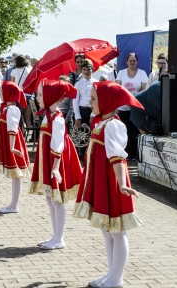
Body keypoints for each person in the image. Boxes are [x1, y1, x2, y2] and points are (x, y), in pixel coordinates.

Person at [73, 81, 143, 288]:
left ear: (107, 101)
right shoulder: (99, 122)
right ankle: (111, 274)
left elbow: (117, 158)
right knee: (107, 229)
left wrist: (122, 183)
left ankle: (116, 278)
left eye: (94, 98)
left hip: (112, 181)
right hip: (101, 180)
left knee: (117, 231)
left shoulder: (113, 125)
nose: (90, 101)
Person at [29, 79, 81, 250]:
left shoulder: (57, 118)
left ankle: (59, 238)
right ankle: (54, 235)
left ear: (51, 96)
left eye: (41, 94)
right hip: (47, 160)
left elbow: (58, 144)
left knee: (56, 200)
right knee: (50, 199)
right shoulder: (48, 115)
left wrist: (55, 167)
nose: (37, 97)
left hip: (54, 161)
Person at [0, 81, 31, 213]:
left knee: (16, 173)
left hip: (12, 142)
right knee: (15, 175)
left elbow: (12, 129)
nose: (0, 94)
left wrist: (12, 146)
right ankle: (13, 204)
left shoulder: (12, 109)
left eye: (2, 91)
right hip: (8, 142)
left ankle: (14, 205)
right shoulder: (6, 107)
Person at [115, 53, 148, 160]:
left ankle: (137, 153)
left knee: (136, 130)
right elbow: (117, 87)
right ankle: (128, 153)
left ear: (137, 62)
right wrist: (126, 97)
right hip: (124, 107)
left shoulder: (142, 73)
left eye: (134, 61)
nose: (132, 63)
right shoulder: (121, 73)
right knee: (126, 131)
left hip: (136, 106)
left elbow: (144, 88)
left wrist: (134, 98)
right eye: (130, 61)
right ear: (127, 62)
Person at [73, 59, 98, 161]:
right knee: (82, 135)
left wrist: (93, 114)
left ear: (92, 69)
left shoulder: (97, 83)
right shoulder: (78, 84)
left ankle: (93, 156)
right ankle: (83, 156)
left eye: (89, 69)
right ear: (81, 70)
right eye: (84, 69)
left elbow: (97, 99)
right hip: (82, 111)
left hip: (94, 110)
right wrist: (77, 117)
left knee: (94, 134)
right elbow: (75, 101)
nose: (87, 72)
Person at [11, 55, 32, 127]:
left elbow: (12, 85)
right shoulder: (30, 70)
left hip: (19, 96)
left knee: (19, 117)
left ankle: (21, 135)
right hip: (30, 96)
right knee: (28, 117)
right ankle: (29, 136)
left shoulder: (14, 71)